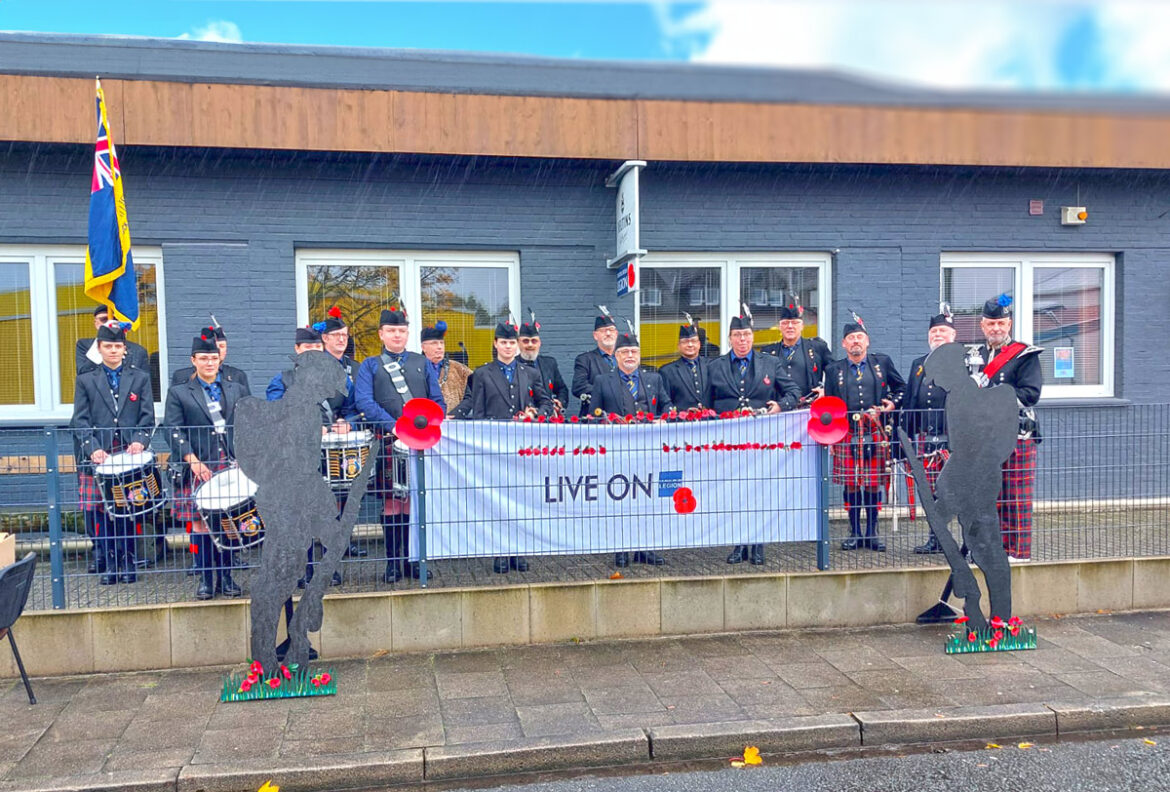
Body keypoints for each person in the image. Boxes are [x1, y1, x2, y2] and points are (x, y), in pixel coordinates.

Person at [354, 306, 445, 583]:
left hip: (420, 443)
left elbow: (438, 401)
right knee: (393, 503)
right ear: (381, 334)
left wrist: (429, 426)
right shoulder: (370, 365)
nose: (397, 335)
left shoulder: (422, 362)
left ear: (408, 334)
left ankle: (414, 561)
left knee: (415, 504)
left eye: (402, 331)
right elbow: (364, 402)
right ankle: (393, 563)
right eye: (392, 331)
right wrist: (394, 426)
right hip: (388, 440)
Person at [705, 306, 802, 566]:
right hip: (729, 441)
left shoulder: (771, 363)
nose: (742, 339)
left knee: (759, 491)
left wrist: (780, 406)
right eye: (737, 335)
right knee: (737, 493)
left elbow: (793, 391)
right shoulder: (715, 366)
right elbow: (707, 404)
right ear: (729, 338)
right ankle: (739, 544)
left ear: (753, 337)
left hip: (762, 439)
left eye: (747, 334)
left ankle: (758, 545)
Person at [165, 329, 252, 600]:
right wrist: (192, 460)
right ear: (193, 360)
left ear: (219, 359)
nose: (209, 363)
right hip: (197, 464)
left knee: (226, 521)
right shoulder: (180, 392)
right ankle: (205, 580)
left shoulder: (235, 388)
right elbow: (172, 429)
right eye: (203, 358)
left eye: (213, 358)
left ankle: (226, 578)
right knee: (201, 525)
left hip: (229, 463)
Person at [462, 320, 552, 574]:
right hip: (495, 446)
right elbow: (478, 413)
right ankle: (500, 551)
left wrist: (535, 413)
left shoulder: (530, 373)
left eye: (512, 343)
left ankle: (519, 550)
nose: (509, 347)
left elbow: (546, 403)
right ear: (496, 344)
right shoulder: (481, 374)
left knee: (520, 499)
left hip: (523, 446)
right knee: (498, 501)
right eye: (504, 342)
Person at [70, 321, 155, 584]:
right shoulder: (85, 380)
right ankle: (110, 563)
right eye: (108, 346)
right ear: (99, 347)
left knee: (128, 510)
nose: (113, 350)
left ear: (125, 349)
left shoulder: (139, 378)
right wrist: (92, 447)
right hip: (100, 456)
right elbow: (79, 420)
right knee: (102, 512)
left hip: (129, 455)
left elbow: (147, 417)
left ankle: (128, 562)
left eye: (118, 346)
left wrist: (140, 441)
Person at [267, 326, 345, 588]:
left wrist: (348, 422)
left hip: (332, 458)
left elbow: (354, 409)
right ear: (297, 350)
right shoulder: (283, 380)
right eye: (307, 349)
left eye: (317, 349)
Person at [590, 328, 672, 568]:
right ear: (616, 356)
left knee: (648, 500)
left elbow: (667, 405)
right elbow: (592, 416)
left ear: (639, 355)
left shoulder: (654, 379)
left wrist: (664, 417)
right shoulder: (602, 382)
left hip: (649, 451)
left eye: (634, 351)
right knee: (622, 501)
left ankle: (645, 547)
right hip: (618, 453)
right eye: (624, 351)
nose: (629, 355)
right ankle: (622, 549)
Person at [823, 312, 905, 553]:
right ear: (843, 344)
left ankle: (872, 532)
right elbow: (828, 403)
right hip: (846, 431)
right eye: (851, 338)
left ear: (867, 341)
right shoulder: (833, 369)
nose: (855, 341)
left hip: (875, 430)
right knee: (850, 484)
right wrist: (831, 435)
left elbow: (901, 388)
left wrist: (889, 403)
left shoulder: (883, 363)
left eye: (859, 337)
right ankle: (854, 532)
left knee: (872, 484)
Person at [972, 295, 1043, 562]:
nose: (996, 329)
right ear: (982, 326)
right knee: (988, 497)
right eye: (991, 324)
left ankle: (1019, 551)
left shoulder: (1024, 354)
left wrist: (989, 397)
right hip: (984, 437)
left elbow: (1030, 394)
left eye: (1001, 323)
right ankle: (993, 550)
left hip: (1017, 434)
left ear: (1009, 324)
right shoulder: (973, 356)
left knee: (1016, 496)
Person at [901, 307, 957, 554]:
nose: (937, 335)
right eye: (934, 331)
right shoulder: (918, 364)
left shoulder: (965, 363)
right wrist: (906, 439)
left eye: (943, 330)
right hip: (925, 440)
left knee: (955, 493)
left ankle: (965, 543)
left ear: (953, 335)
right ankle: (936, 539)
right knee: (931, 493)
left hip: (953, 440)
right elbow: (910, 401)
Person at [760, 295, 833, 401]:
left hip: (809, 407)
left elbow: (835, 372)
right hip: (778, 409)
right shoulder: (767, 351)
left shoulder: (818, 348)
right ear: (779, 327)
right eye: (785, 323)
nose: (790, 326)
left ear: (802, 326)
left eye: (795, 323)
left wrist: (826, 389)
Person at [171, 320, 250, 391]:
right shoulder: (181, 376)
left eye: (222, 346)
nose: (218, 350)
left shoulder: (237, 375)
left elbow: (248, 405)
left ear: (226, 349)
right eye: (215, 346)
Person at [76, 304, 150, 375]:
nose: (109, 323)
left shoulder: (138, 351)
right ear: (96, 323)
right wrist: (99, 347)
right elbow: (82, 373)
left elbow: (143, 383)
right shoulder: (84, 345)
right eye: (104, 320)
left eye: (115, 319)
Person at [518, 312, 569, 414]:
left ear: (539, 343)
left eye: (534, 341)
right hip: (523, 418)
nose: (530, 345)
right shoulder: (513, 365)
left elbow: (562, 389)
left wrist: (560, 402)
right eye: (525, 341)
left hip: (548, 417)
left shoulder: (550, 363)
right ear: (518, 343)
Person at [571, 307, 618, 416]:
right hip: (595, 417)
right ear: (595, 335)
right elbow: (579, 386)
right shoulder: (585, 359)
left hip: (623, 418)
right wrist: (608, 392)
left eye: (611, 330)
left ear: (616, 334)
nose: (608, 333)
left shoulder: (625, 360)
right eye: (603, 331)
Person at [420, 320, 473, 416]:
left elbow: (469, 398)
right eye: (434, 343)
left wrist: (456, 414)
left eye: (442, 343)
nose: (439, 347)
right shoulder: (416, 368)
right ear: (423, 347)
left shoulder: (459, 369)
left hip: (454, 424)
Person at [658, 317, 709, 411]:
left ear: (699, 344)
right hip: (682, 423)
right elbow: (665, 403)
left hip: (711, 422)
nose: (690, 345)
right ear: (679, 346)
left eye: (693, 341)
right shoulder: (667, 371)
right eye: (685, 342)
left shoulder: (711, 366)